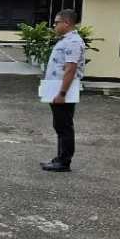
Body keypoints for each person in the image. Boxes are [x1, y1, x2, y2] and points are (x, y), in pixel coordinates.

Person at [41, 9, 86, 172]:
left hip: (63, 92)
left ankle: (64, 161)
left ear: (66, 23)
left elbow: (70, 69)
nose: (54, 25)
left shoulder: (73, 42)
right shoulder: (65, 40)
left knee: (64, 126)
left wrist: (62, 94)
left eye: (57, 22)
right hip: (56, 89)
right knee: (59, 125)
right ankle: (59, 158)